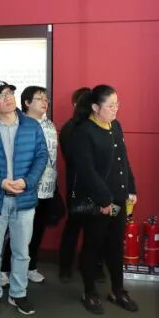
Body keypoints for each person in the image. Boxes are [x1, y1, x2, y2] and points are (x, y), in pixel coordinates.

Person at [0, 80, 47, 316]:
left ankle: (18, 293)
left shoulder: (32, 126)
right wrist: (0, 182)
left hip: (24, 199)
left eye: (10, 93)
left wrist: (27, 181)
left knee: (22, 252)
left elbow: (41, 156)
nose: (9, 98)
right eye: (2, 95)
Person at [69, 85, 139, 315]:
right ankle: (89, 292)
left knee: (115, 245)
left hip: (117, 198)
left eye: (117, 104)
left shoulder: (115, 126)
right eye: (110, 106)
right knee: (93, 245)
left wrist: (131, 189)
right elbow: (87, 171)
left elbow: (123, 160)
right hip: (96, 201)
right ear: (95, 107)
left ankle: (117, 290)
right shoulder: (84, 132)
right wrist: (104, 200)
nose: (115, 109)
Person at [0, 86, 60, 284]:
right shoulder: (19, 124)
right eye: (39, 99)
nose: (45, 102)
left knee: (37, 231)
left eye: (46, 99)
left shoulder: (50, 125)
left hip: (47, 188)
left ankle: (30, 267)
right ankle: (4, 270)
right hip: (24, 188)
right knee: (17, 232)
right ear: (26, 103)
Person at [58, 87, 91, 282]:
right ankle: (65, 268)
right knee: (74, 226)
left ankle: (91, 267)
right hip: (77, 187)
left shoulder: (95, 126)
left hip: (93, 187)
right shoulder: (71, 128)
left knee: (93, 230)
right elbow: (73, 157)